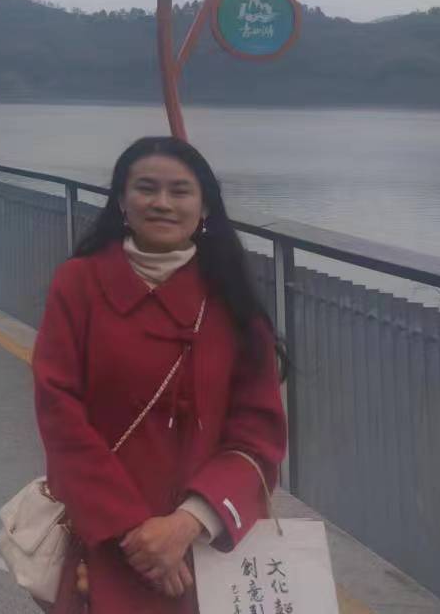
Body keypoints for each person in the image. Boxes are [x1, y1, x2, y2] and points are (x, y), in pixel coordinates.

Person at [32, 136, 288, 613]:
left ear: (204, 206)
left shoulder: (232, 301)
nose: (163, 203)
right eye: (146, 188)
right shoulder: (78, 283)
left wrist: (186, 523)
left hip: (201, 549)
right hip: (102, 538)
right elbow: (58, 413)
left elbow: (258, 438)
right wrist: (137, 533)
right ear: (122, 201)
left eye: (180, 191)